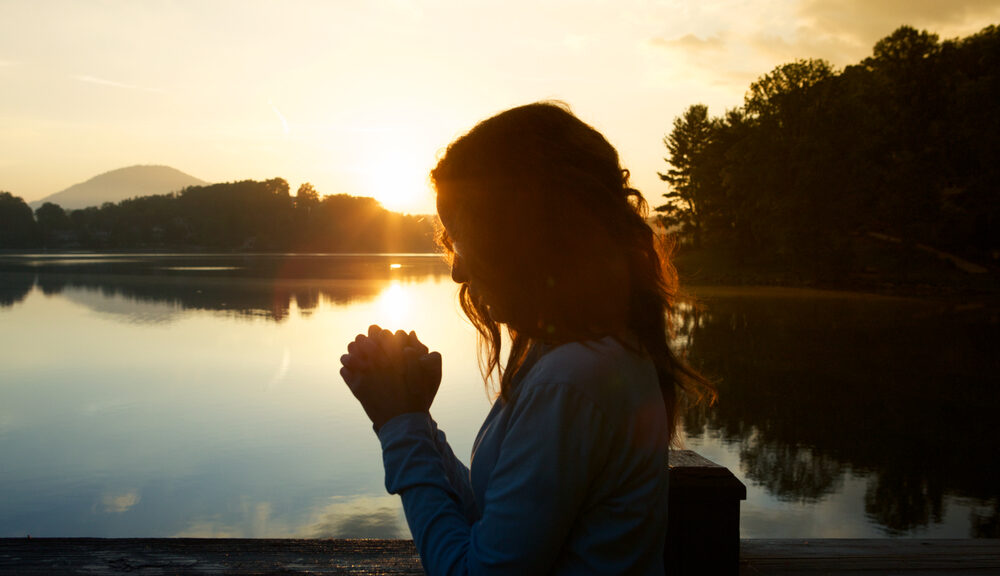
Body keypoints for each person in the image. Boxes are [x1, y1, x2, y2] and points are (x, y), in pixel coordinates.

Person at [339, 102, 713, 575]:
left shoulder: (571, 379)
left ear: (514, 237)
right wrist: (417, 419)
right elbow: (498, 521)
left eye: (461, 239)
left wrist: (398, 426)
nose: (456, 269)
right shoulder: (574, 354)